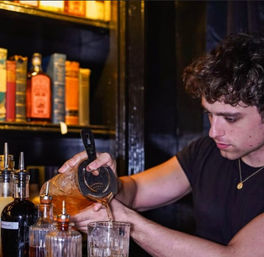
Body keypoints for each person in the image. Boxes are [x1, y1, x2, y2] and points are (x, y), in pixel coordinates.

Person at [59, 33, 264, 256]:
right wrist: (103, 183)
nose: (214, 132)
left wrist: (125, 220)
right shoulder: (206, 151)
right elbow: (135, 192)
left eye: (231, 118)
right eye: (210, 115)